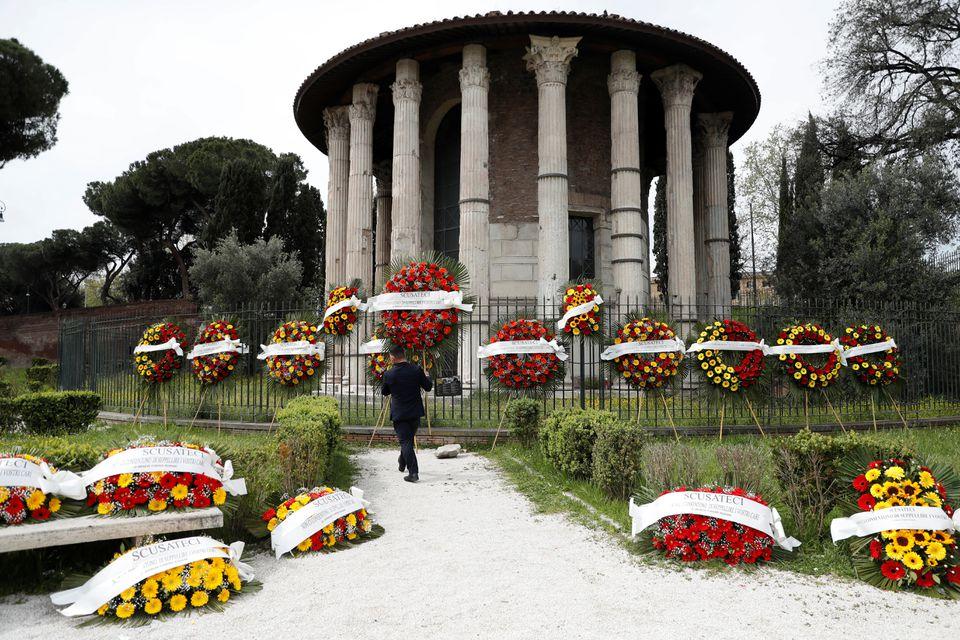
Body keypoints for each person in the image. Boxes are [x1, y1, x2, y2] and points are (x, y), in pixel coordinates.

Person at [381, 345, 432, 483]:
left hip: (399, 413)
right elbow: (428, 387)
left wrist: (386, 381)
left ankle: (413, 473)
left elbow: (385, 392)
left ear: (392, 357)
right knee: (408, 440)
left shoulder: (389, 374)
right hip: (415, 412)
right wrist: (428, 376)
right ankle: (402, 461)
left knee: (405, 442)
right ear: (404, 354)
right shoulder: (416, 370)